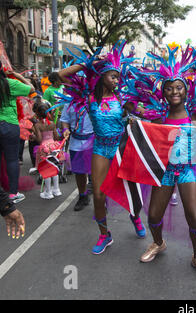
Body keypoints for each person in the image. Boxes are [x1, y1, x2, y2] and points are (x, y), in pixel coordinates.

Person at [123, 44, 196, 275]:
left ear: (186, 90)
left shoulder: (195, 112)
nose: (174, 92)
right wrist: (134, 125)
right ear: (163, 92)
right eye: (169, 89)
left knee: (195, 217)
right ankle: (158, 242)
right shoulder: (159, 115)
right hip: (165, 171)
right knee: (154, 216)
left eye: (179, 87)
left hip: (188, 170)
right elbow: (146, 134)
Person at [57, 40, 148, 254]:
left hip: (122, 147)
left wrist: (145, 115)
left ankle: (134, 216)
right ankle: (104, 235)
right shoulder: (88, 98)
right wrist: (88, 64)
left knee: (132, 191)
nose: (117, 80)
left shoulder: (123, 97)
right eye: (113, 76)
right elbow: (61, 76)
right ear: (101, 76)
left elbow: (145, 113)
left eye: (118, 76)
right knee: (98, 194)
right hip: (100, 148)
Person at [0, 62, 35, 204]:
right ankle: (13, 194)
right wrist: (16, 75)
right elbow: (31, 88)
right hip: (9, 125)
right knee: (12, 160)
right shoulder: (9, 83)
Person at [60, 94, 94, 211]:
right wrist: (65, 129)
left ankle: (101, 201)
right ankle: (83, 196)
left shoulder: (94, 99)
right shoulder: (69, 101)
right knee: (79, 172)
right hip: (75, 142)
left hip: (93, 141)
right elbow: (65, 119)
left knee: (96, 173)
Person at [33, 97, 64, 200]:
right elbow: (56, 137)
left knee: (46, 171)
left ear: (37, 114)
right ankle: (57, 189)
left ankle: (48, 192)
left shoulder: (37, 125)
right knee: (54, 168)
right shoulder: (52, 124)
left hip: (44, 149)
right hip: (54, 147)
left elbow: (39, 139)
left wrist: (33, 136)